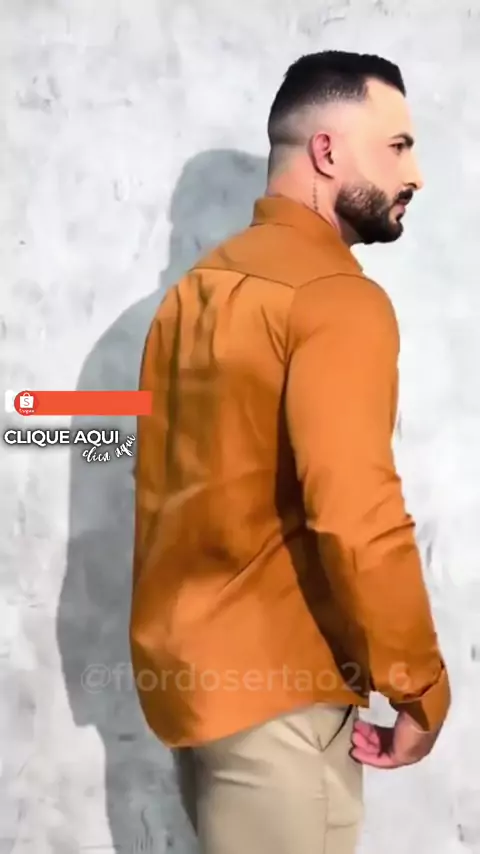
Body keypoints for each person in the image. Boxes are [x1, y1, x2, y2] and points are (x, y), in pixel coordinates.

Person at [130, 51, 451, 854]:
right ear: (328, 151)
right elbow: (356, 513)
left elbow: (163, 485)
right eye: (397, 147)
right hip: (281, 701)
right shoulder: (335, 298)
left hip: (193, 690)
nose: (415, 174)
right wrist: (419, 683)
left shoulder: (194, 291)